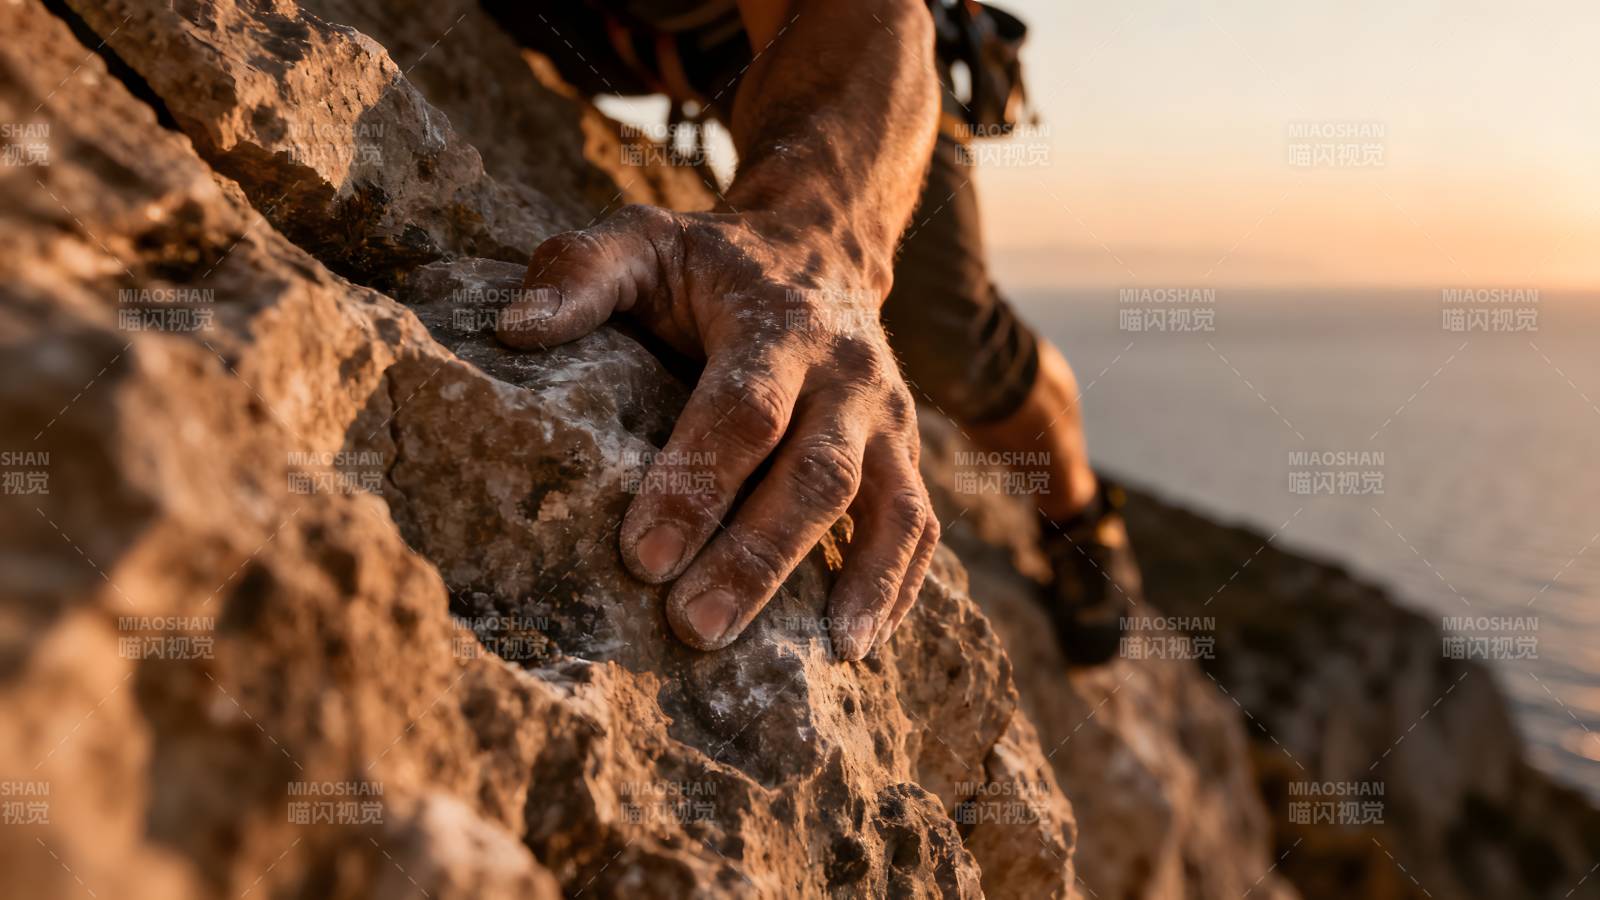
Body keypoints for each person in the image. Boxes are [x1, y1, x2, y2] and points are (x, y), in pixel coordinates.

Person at [486, 0, 1142, 664]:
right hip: (639, 41)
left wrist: (814, 246)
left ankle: (1081, 519)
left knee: (949, 338)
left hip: (825, 31)